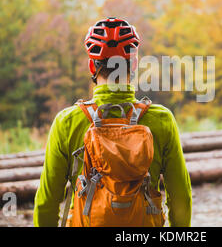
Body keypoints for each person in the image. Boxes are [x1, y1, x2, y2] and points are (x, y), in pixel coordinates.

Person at [33, 17, 192, 227]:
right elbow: (181, 198)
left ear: (92, 66)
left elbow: (47, 202)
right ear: (134, 63)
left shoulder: (66, 123)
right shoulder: (161, 120)